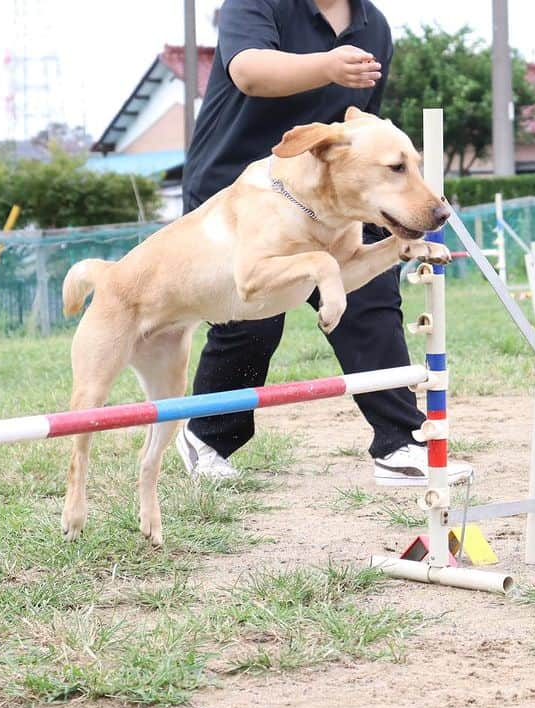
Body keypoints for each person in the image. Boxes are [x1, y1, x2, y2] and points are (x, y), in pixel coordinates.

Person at [177, 0, 470, 486]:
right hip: (239, 184)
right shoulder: (256, 4)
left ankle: (399, 442)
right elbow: (248, 71)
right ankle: (208, 436)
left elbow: (362, 125)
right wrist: (327, 65)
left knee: (372, 299)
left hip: (331, 192)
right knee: (252, 322)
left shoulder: (372, 25)